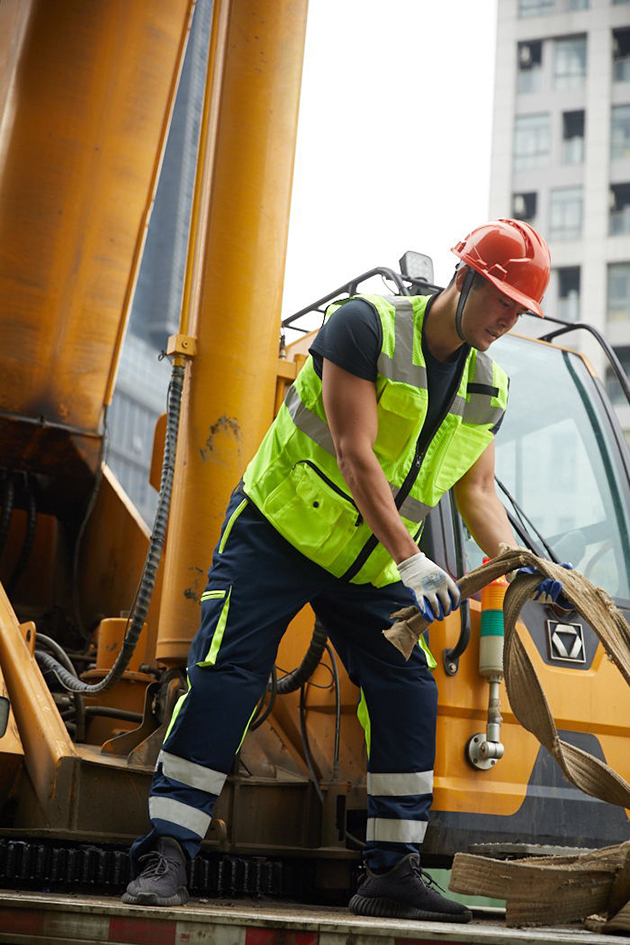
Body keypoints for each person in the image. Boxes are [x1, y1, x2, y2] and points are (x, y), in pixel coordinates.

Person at [123, 219, 566, 921]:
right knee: (228, 673)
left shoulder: (487, 386)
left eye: (521, 309)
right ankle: (168, 850)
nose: (509, 318)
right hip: (280, 530)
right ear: (467, 278)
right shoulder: (366, 328)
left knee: (407, 689)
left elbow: (477, 493)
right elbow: (355, 452)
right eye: (503, 299)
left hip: (368, 561)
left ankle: (391, 869)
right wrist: (412, 559)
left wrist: (522, 563)